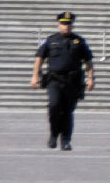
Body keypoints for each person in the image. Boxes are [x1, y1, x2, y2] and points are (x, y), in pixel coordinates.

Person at [29, 11, 94, 150]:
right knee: (54, 105)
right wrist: (35, 75)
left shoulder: (79, 41)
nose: (66, 26)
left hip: (73, 81)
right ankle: (53, 135)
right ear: (59, 24)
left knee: (67, 111)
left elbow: (88, 61)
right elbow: (39, 58)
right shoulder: (51, 40)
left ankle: (65, 140)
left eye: (69, 23)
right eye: (63, 23)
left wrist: (91, 78)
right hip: (54, 80)